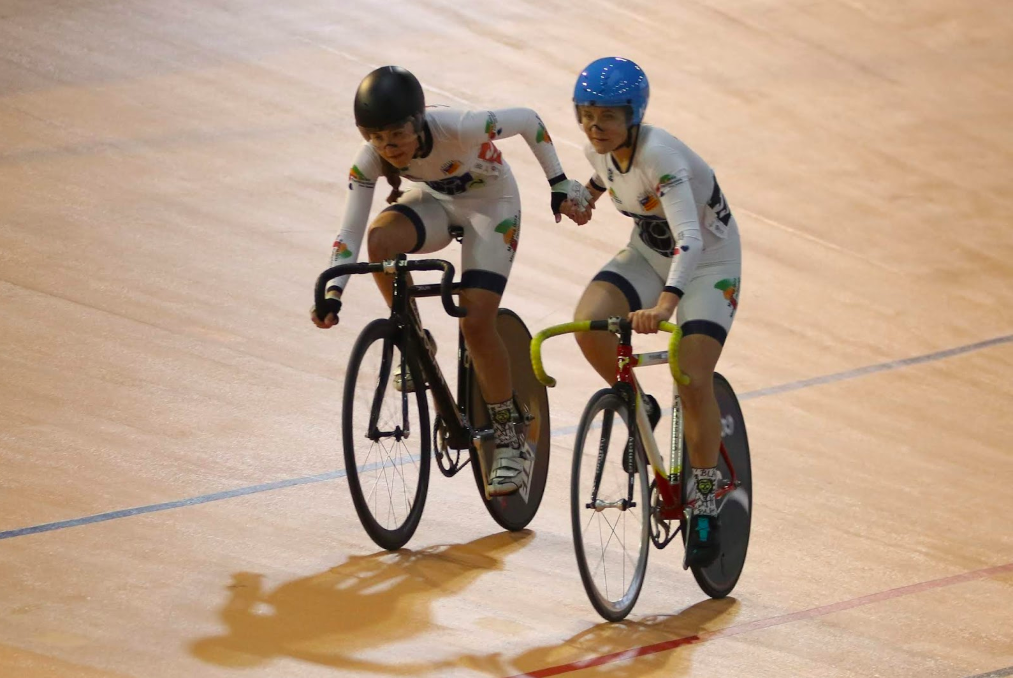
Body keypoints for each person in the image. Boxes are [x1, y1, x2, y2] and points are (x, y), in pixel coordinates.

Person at [312, 66, 590, 497]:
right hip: (437, 202)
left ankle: (510, 439)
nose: (389, 146)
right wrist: (333, 293)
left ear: (419, 121)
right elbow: (350, 230)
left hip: (491, 206)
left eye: (397, 134)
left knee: (475, 324)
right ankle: (415, 337)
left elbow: (528, 120)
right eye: (376, 137)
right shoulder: (369, 160)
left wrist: (558, 182)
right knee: (380, 239)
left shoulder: (459, 126)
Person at [561, 57, 742, 566]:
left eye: (607, 117)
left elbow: (690, 240)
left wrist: (666, 303)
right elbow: (604, 178)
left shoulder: (661, 156)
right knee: (589, 324)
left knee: (691, 374)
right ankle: (641, 406)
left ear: (633, 116)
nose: (594, 127)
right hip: (647, 254)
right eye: (586, 115)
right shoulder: (599, 148)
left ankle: (703, 499)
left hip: (708, 264)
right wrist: (584, 200)